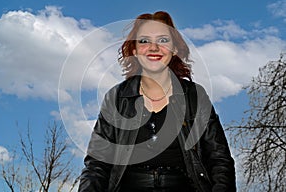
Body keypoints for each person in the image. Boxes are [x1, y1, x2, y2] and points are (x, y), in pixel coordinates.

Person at [78, 11, 236, 192]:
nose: (153, 48)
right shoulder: (116, 98)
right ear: (135, 50)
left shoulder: (195, 96)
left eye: (162, 40)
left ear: (174, 49)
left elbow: (219, 160)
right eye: (144, 41)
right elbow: (97, 165)